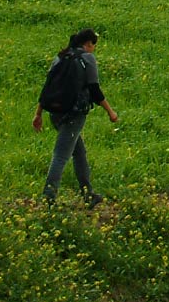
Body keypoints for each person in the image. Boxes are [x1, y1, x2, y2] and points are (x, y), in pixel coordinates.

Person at [34, 29, 118, 206]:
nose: (94, 49)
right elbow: (94, 89)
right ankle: (48, 197)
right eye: (94, 45)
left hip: (55, 113)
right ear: (88, 44)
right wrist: (110, 112)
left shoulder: (60, 57)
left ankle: (88, 194)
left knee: (79, 152)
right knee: (61, 155)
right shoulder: (87, 58)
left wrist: (38, 113)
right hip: (74, 114)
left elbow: (47, 86)